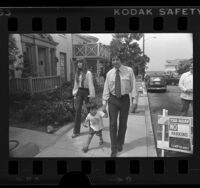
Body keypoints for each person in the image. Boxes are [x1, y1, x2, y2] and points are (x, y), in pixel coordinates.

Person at [102, 55, 138, 157]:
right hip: (113, 99)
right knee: (113, 124)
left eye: (117, 59)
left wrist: (135, 102)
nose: (115, 61)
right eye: (113, 60)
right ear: (111, 61)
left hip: (125, 99)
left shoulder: (129, 70)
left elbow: (134, 86)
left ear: (120, 60)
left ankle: (120, 142)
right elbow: (106, 90)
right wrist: (104, 105)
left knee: (123, 123)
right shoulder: (109, 74)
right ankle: (113, 149)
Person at [72, 58, 95, 138]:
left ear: (83, 63)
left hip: (87, 92)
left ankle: (92, 129)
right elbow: (76, 84)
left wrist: (91, 95)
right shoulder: (77, 73)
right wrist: (74, 94)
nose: (79, 64)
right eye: (78, 63)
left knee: (89, 110)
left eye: (80, 62)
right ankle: (76, 131)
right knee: (77, 110)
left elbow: (90, 84)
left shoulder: (88, 73)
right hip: (79, 92)